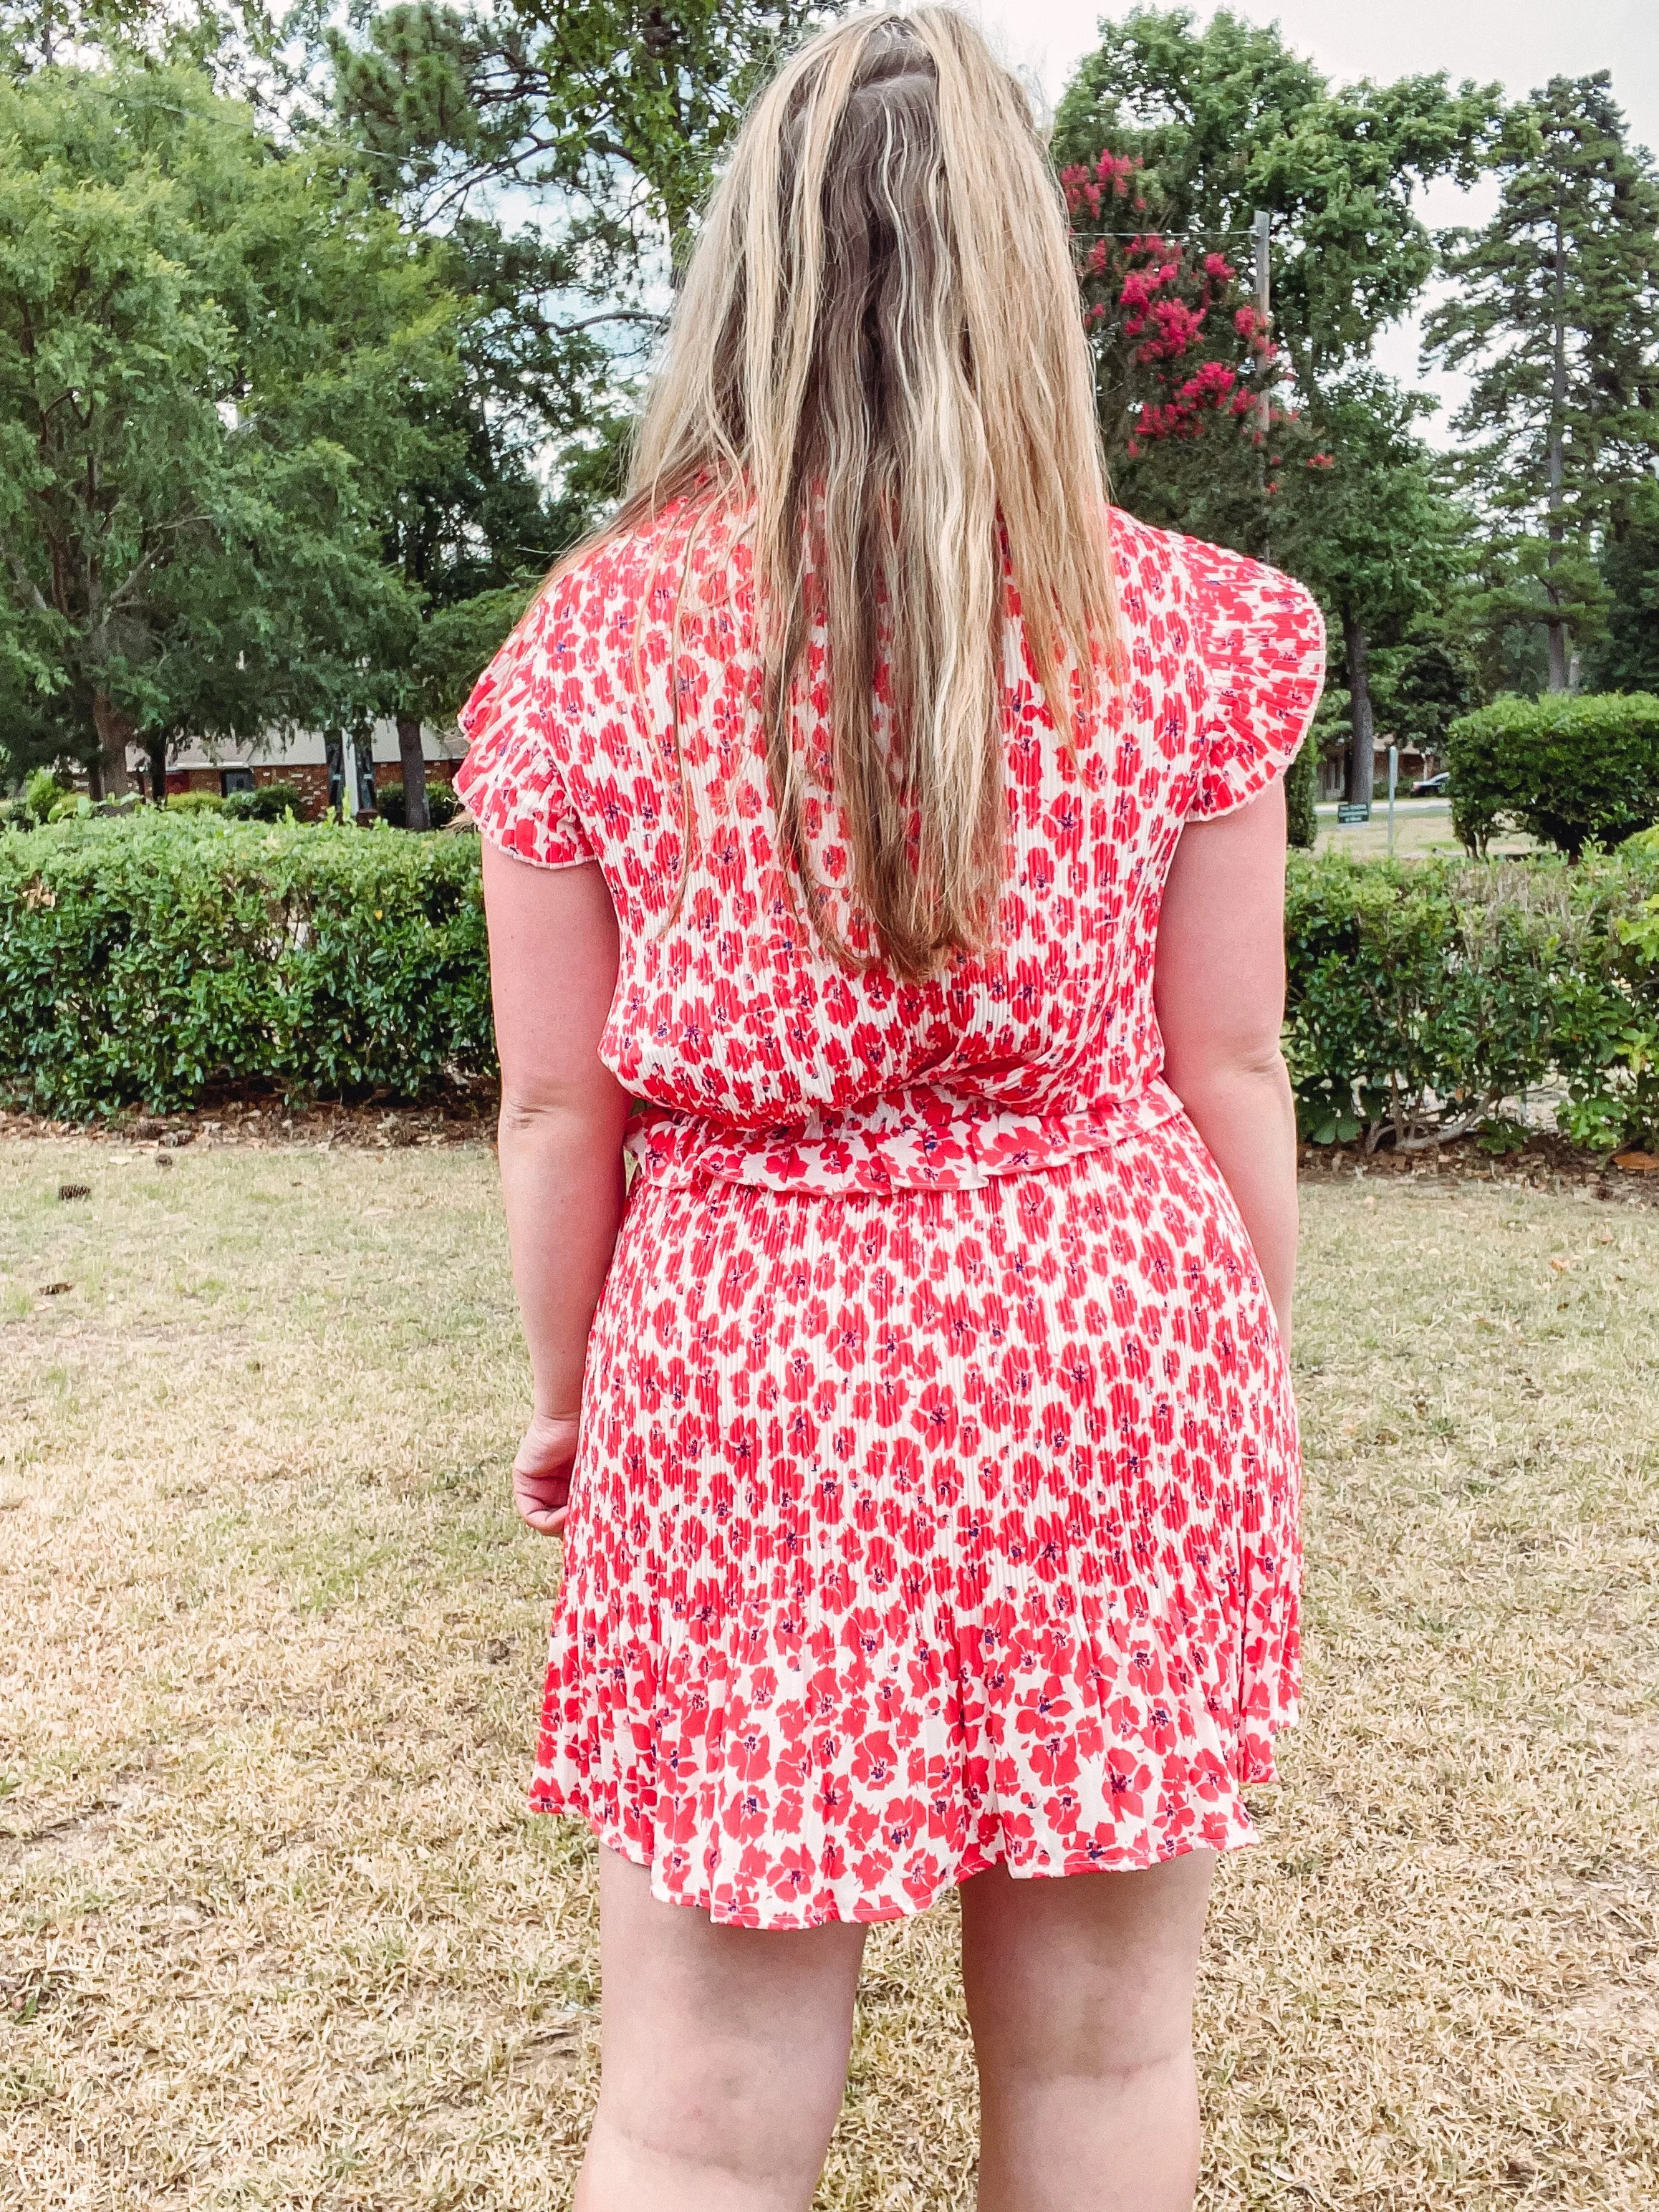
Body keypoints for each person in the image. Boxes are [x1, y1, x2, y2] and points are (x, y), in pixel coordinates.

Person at [457, 9, 1322, 2208]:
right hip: (1106, 1341)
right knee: (1105, 2072)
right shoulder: (1189, 627)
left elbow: (562, 1110)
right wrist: (1235, 1377)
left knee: (696, 2120)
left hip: (747, 1363)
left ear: (749, 263)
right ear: (1024, 268)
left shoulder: (591, 642)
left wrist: (573, 1394)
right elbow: (1225, 1064)